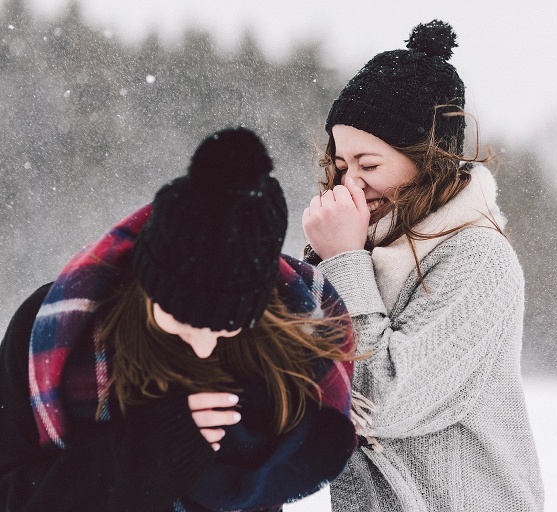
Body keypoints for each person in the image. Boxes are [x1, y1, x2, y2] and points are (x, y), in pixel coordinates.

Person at [0, 127, 358, 512]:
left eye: (226, 327)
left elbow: (311, 453)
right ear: (147, 285)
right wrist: (136, 459)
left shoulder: (296, 338)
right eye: (182, 321)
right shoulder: (56, 329)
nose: (202, 345)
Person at [302, 20, 544, 511]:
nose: (351, 184)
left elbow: (378, 401)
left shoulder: (478, 258)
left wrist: (344, 262)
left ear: (427, 159)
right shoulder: (365, 249)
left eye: (368, 166)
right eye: (341, 163)